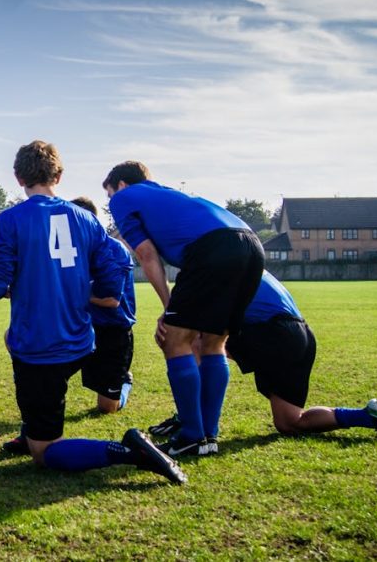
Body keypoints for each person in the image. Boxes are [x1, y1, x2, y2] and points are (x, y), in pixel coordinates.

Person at [0, 141, 185, 485]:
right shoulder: (87, 220)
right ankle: (33, 425)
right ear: (59, 175)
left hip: (39, 347)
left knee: (44, 452)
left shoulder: (10, 220)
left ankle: (128, 451)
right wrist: (87, 291)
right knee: (20, 353)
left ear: (18, 177)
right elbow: (115, 268)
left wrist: (18, 283)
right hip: (81, 340)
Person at [104, 161, 264, 457]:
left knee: (174, 339)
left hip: (213, 248)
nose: (111, 202)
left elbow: (147, 255)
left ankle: (191, 434)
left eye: (110, 194)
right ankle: (208, 436)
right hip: (251, 244)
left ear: (121, 185)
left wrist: (169, 306)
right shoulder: (165, 195)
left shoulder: (125, 197)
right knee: (213, 342)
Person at [149, 271, 377, 442]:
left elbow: (203, 325)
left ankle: (190, 421)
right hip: (300, 336)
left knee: (193, 343)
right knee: (290, 423)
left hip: (273, 332)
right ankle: (367, 416)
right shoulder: (242, 259)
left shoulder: (216, 265)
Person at [71, 197, 135, 413]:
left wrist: (74, 295)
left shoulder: (113, 250)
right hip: (83, 325)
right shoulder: (72, 250)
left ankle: (125, 382)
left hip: (113, 329)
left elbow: (111, 301)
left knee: (107, 408)